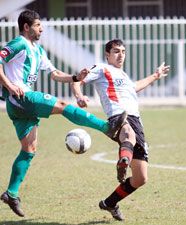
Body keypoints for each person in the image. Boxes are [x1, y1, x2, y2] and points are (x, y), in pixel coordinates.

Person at [0, 10, 127, 217]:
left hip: (21, 106)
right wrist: (10, 86)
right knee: (61, 105)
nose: (41, 29)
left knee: (29, 149)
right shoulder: (19, 44)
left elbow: (55, 74)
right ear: (26, 27)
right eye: (38, 25)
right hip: (21, 98)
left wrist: (76, 76)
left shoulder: (38, 50)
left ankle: (11, 193)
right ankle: (107, 127)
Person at [71, 39, 170, 220]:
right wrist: (79, 97)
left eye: (123, 51)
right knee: (128, 135)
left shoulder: (123, 76)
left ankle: (109, 203)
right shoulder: (102, 68)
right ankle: (123, 160)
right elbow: (77, 80)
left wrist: (155, 75)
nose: (121, 55)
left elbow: (135, 87)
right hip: (118, 116)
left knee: (141, 178)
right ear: (107, 55)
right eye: (116, 51)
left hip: (136, 119)